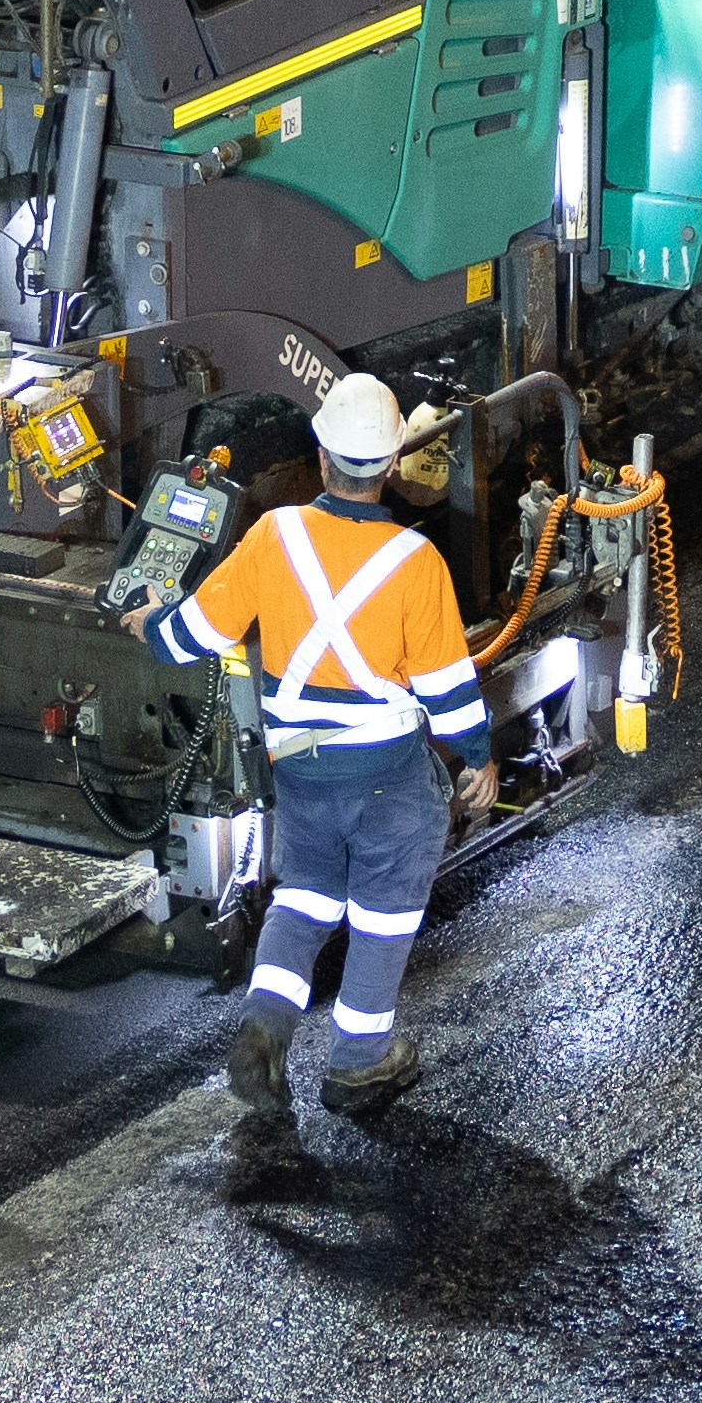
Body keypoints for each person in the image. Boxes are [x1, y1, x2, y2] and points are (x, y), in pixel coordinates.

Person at [184, 374, 500, 1130]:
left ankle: (265, 1031)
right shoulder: (413, 560)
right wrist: (478, 758)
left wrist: (146, 626)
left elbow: (195, 629)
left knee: (304, 899)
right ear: (391, 466)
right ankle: (359, 1063)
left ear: (321, 457)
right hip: (388, 776)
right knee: (385, 913)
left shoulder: (273, 535)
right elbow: (449, 690)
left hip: (302, 770)